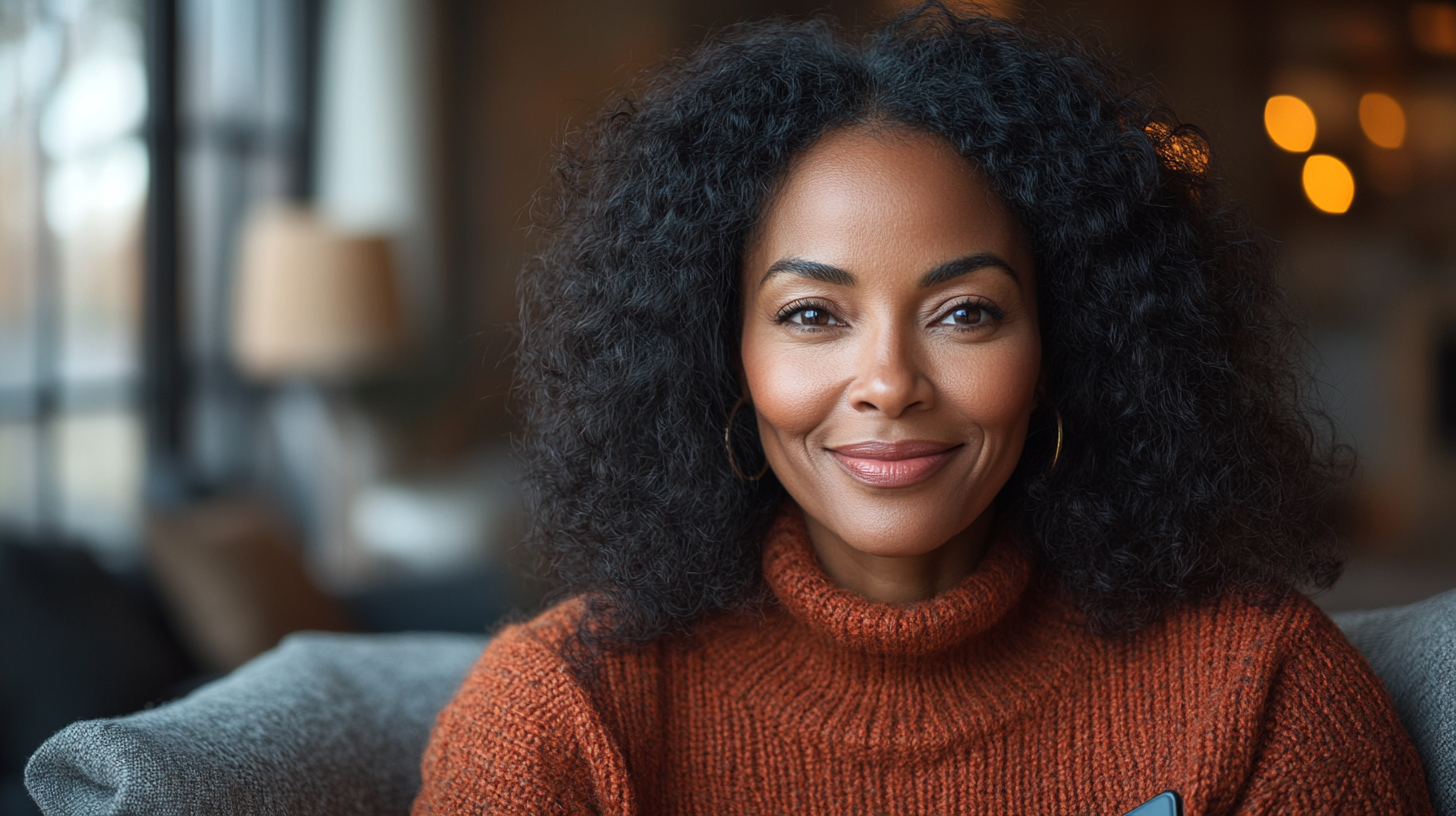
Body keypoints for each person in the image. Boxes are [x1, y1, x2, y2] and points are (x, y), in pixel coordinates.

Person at [413, 4, 1434, 814]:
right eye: (812, 313)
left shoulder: (1260, 694)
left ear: (1063, 344)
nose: (890, 380)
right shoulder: (562, 716)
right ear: (719, 355)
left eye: (965, 313)